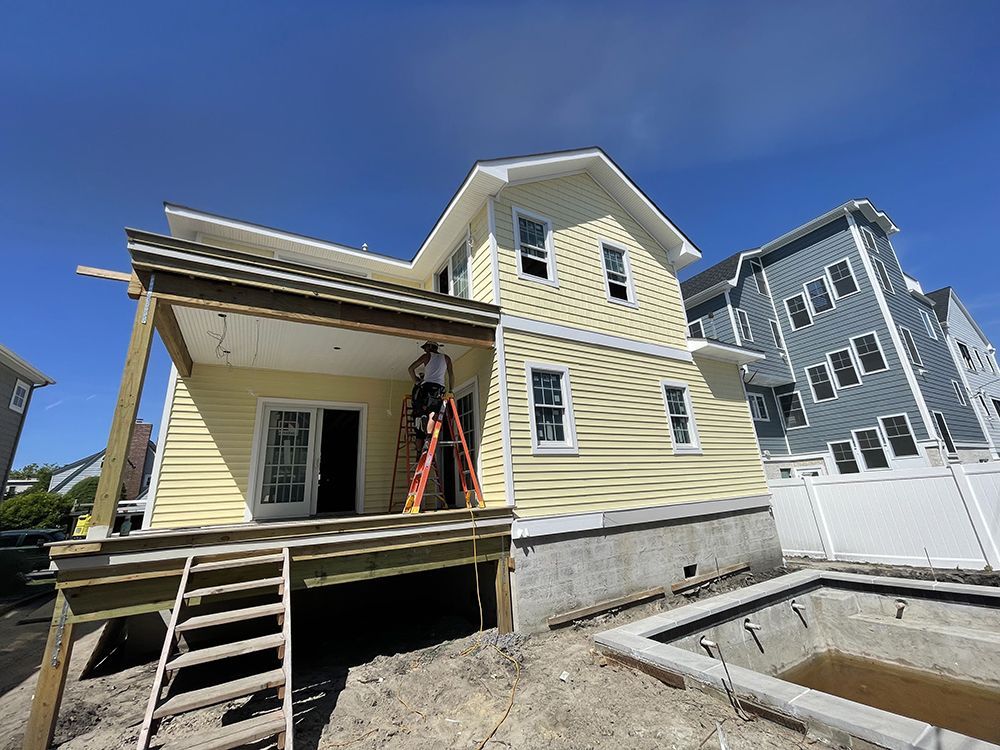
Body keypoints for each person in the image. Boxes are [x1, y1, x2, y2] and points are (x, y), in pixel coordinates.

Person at [408, 341, 454, 442]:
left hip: (426, 387)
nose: (424, 350)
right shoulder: (446, 358)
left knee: (424, 409)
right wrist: (451, 390)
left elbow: (410, 369)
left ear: (429, 347)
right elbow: (451, 374)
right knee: (433, 414)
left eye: (425, 348)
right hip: (438, 389)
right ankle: (428, 437)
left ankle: (424, 424)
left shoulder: (426, 356)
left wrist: (416, 381)